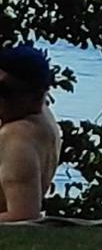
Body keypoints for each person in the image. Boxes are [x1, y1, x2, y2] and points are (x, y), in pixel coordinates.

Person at [0, 46, 62, 222]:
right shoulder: (44, 117)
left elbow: (24, 215)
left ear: (36, 97)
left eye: (4, 91)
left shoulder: (16, 136)